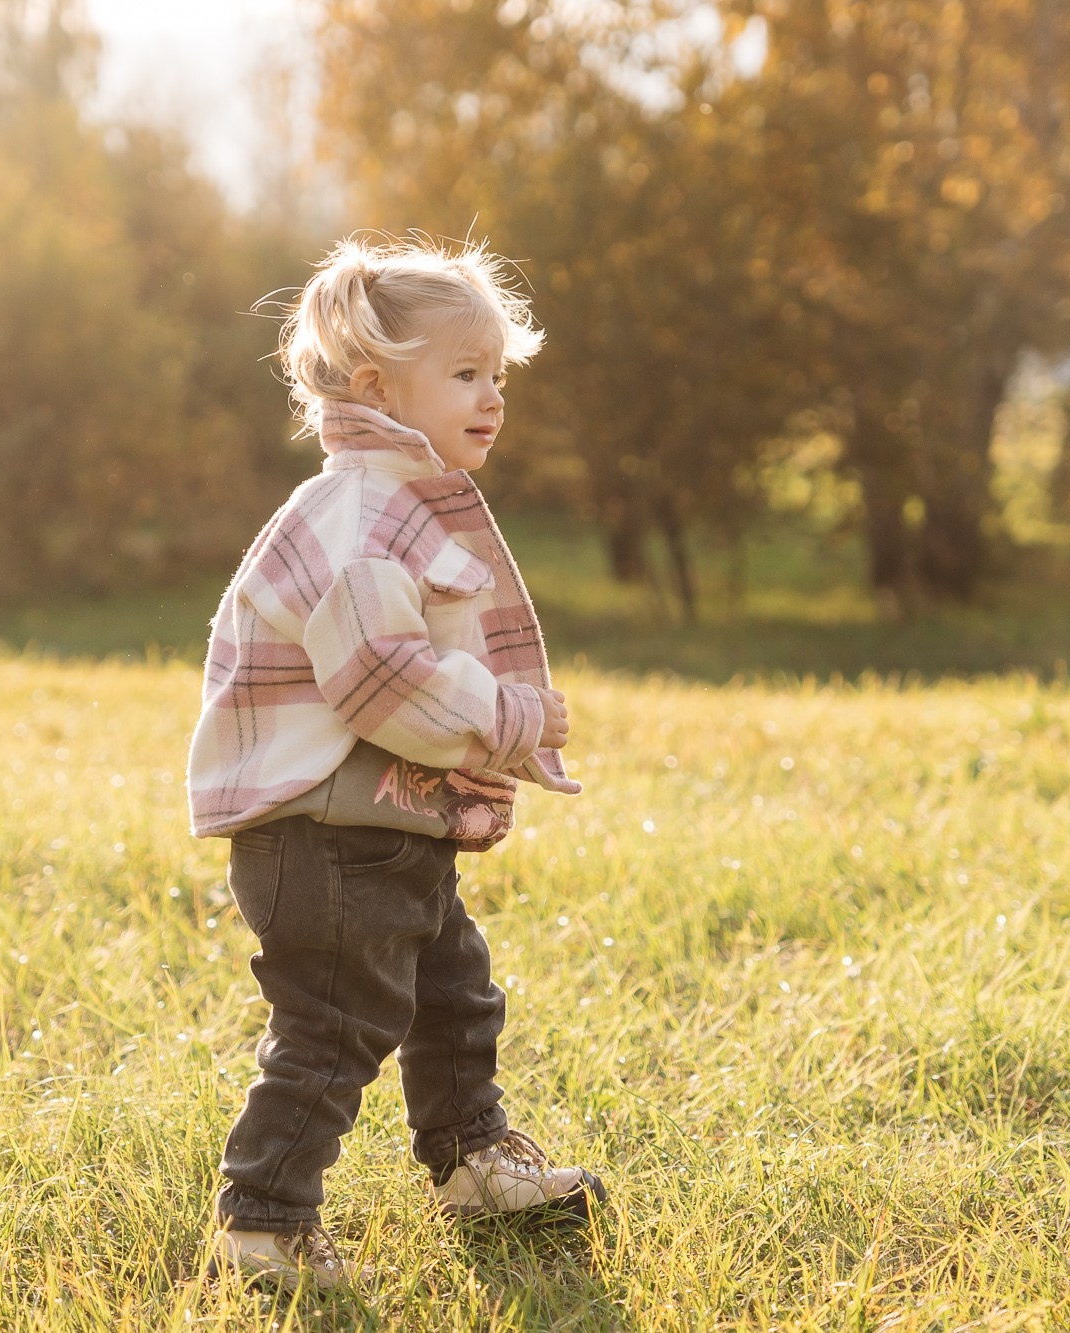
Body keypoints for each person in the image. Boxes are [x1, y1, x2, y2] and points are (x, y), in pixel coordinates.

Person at [185, 235, 604, 1290]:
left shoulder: (399, 502)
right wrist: (507, 716)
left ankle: (471, 1159)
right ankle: (265, 1221)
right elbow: (383, 678)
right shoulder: (363, 516)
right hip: (322, 834)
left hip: (375, 825)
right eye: (465, 374)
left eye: (497, 374)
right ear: (376, 386)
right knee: (336, 1027)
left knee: (451, 993)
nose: (492, 396)